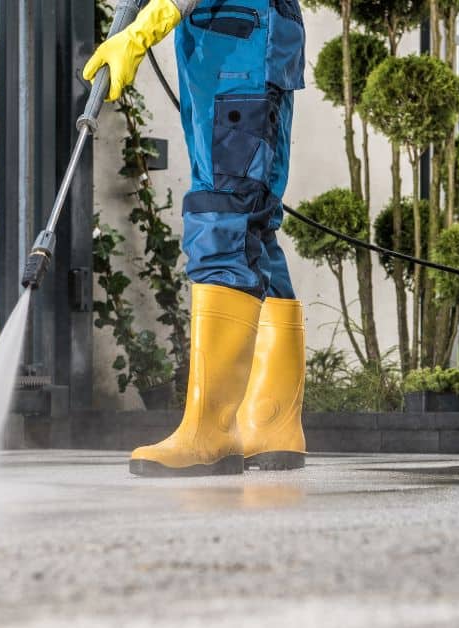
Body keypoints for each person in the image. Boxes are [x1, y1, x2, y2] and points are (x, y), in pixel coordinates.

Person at [84, 0, 308, 477]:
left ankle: (210, 431)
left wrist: (148, 25)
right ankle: (272, 424)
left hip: (237, 45)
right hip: (241, 43)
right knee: (253, 225)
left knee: (222, 214)